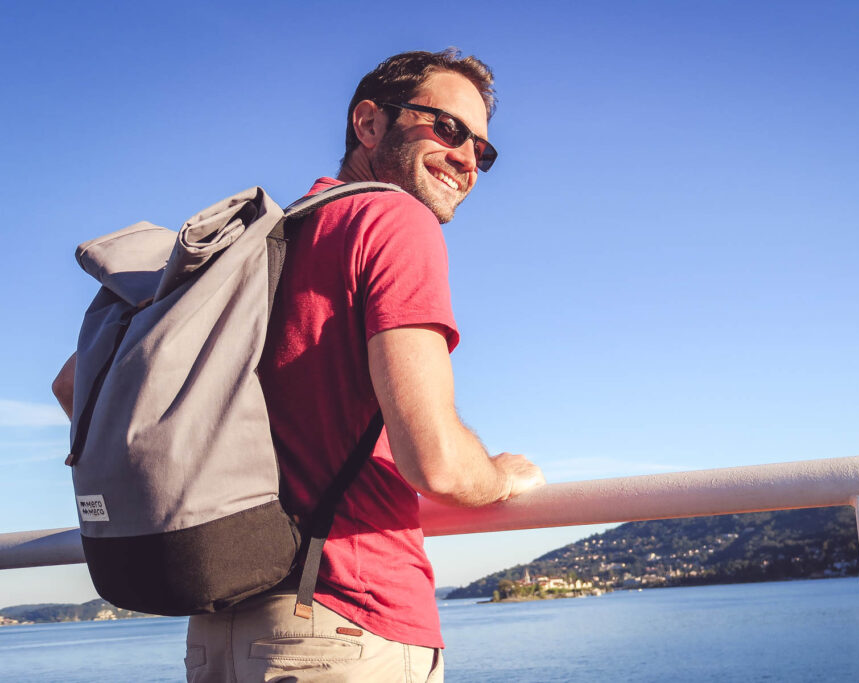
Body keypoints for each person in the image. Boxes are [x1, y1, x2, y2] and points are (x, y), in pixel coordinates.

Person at [53, 48, 545, 682]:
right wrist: (500, 478)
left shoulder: (253, 248)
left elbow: (74, 385)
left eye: (484, 149)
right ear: (369, 124)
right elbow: (438, 463)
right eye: (447, 129)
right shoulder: (394, 220)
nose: (468, 158)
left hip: (219, 626)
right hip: (345, 623)